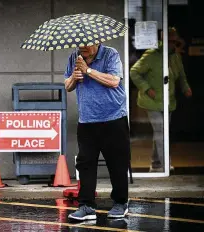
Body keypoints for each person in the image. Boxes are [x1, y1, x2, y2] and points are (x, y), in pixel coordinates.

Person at [64, 43, 131, 221]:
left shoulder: (110, 54)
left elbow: (114, 81)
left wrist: (88, 71)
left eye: (86, 45)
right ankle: (86, 206)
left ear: (97, 41)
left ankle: (120, 203)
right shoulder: (74, 57)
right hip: (87, 120)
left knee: (117, 163)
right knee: (85, 164)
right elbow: (67, 86)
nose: (82, 48)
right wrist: (74, 77)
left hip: (113, 118)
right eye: (80, 45)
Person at [130, 27, 192, 172]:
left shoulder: (175, 56)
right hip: (152, 101)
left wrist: (186, 88)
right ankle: (165, 165)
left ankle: (156, 162)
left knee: (161, 132)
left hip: (167, 100)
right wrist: (146, 88)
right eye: (170, 41)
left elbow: (181, 76)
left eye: (175, 42)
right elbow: (134, 72)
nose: (173, 44)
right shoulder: (152, 54)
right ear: (163, 40)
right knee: (161, 131)